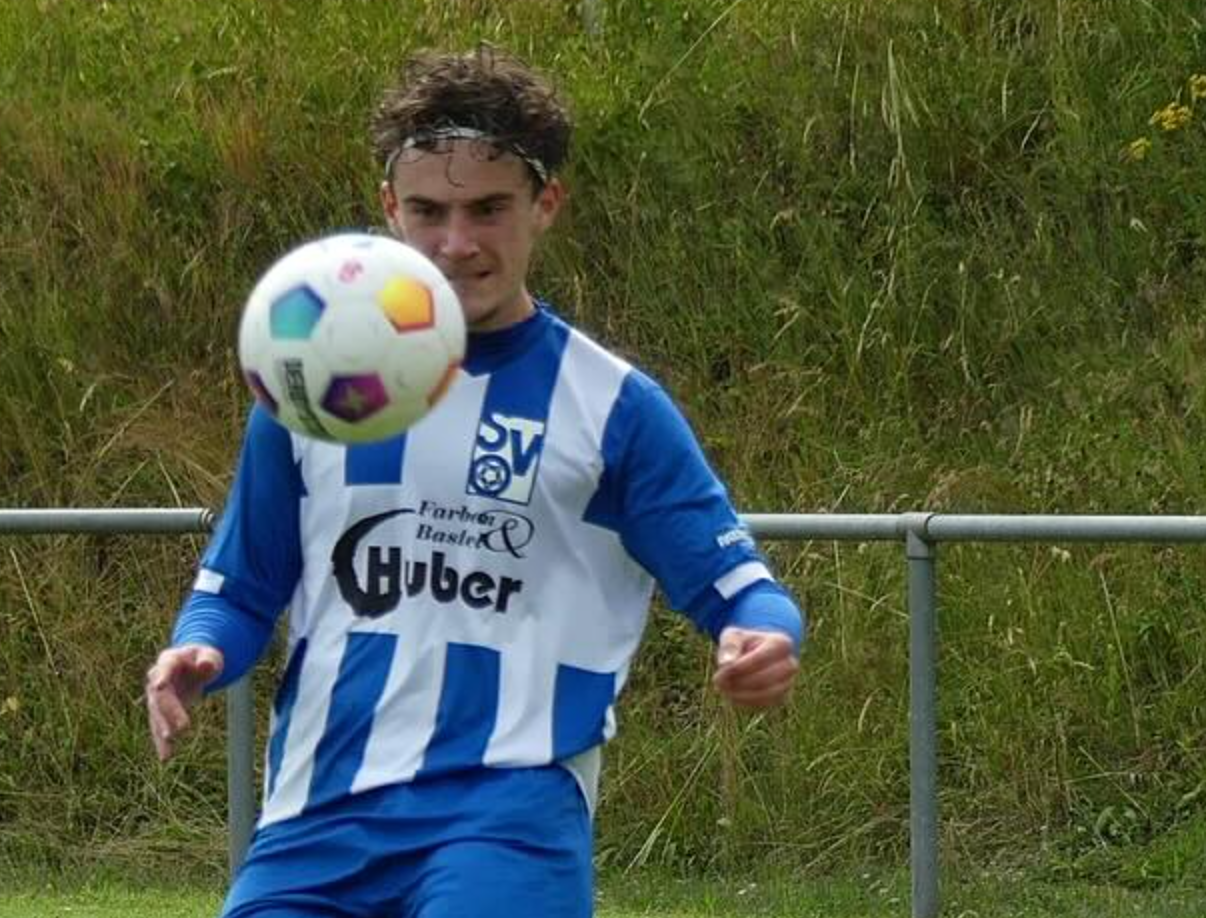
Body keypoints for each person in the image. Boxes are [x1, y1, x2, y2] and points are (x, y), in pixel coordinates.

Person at [145, 44, 803, 918]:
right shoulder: (317, 388)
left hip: (509, 813)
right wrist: (199, 652)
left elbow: (739, 587)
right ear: (390, 208)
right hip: (316, 814)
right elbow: (241, 585)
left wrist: (760, 638)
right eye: (429, 211)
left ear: (545, 205)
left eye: (489, 209)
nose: (457, 244)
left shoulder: (613, 407)